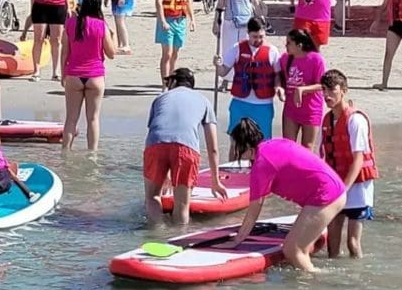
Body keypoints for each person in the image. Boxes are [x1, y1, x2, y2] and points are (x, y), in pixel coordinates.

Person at [224, 119, 346, 272]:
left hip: (326, 195)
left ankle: (320, 284)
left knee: (293, 251)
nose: (233, 149)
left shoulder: (261, 164)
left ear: (246, 146)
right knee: (297, 251)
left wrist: (237, 240)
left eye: (235, 145)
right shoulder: (273, 144)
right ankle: (302, 284)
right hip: (335, 188)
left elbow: (253, 211)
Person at [143, 67, 226, 224]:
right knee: (182, 205)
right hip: (186, 148)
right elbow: (213, 147)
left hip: (156, 144)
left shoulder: (160, 98)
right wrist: (215, 181)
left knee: (152, 196)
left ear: (173, 82)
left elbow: (156, 134)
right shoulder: (204, 101)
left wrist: (165, 173)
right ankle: (178, 240)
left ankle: (157, 232)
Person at [320, 70, 376, 258]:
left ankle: (357, 281)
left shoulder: (355, 121)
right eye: (324, 90)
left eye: (332, 90)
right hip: (336, 184)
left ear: (343, 91)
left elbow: (358, 159)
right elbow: (323, 157)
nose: (327, 95)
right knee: (332, 245)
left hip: (358, 185)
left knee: (353, 243)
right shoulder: (326, 120)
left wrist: (344, 188)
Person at [213, 17, 283, 159]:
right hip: (240, 103)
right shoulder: (237, 48)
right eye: (254, 37)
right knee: (235, 142)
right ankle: (232, 169)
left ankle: (261, 170)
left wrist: (278, 88)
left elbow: (277, 75)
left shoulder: (272, 51)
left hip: (263, 104)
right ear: (248, 33)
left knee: (264, 143)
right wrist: (217, 64)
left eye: (261, 36)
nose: (258, 40)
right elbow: (222, 72)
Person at [61, 0, 116, 151]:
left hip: (74, 74)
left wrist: (63, 73)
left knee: (71, 119)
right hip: (95, 76)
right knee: (93, 119)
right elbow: (111, 54)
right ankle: (92, 155)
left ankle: (65, 153)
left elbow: (65, 51)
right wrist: (113, 35)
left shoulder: (71, 23)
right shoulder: (101, 25)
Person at [281, 28, 327, 150]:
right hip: (291, 108)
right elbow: (277, 75)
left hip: (311, 109)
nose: (286, 46)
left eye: (289, 43)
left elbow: (323, 84)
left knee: (307, 147)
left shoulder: (316, 59)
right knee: (288, 145)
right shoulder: (285, 58)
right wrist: (278, 88)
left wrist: (302, 90)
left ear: (299, 45)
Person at [154, 0, 194, 88]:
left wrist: (192, 18)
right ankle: (164, 84)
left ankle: (172, 81)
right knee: (168, 53)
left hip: (180, 20)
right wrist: (163, 21)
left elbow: (187, 1)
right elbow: (159, 1)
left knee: (175, 53)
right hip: (168, 20)